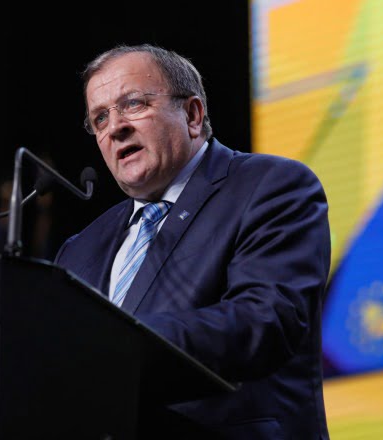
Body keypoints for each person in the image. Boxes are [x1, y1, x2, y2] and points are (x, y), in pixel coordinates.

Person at [55, 44, 331, 438]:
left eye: (133, 104)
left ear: (192, 115)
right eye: (100, 117)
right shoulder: (79, 250)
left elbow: (265, 319)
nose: (115, 127)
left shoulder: (270, 186)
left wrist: (119, 343)